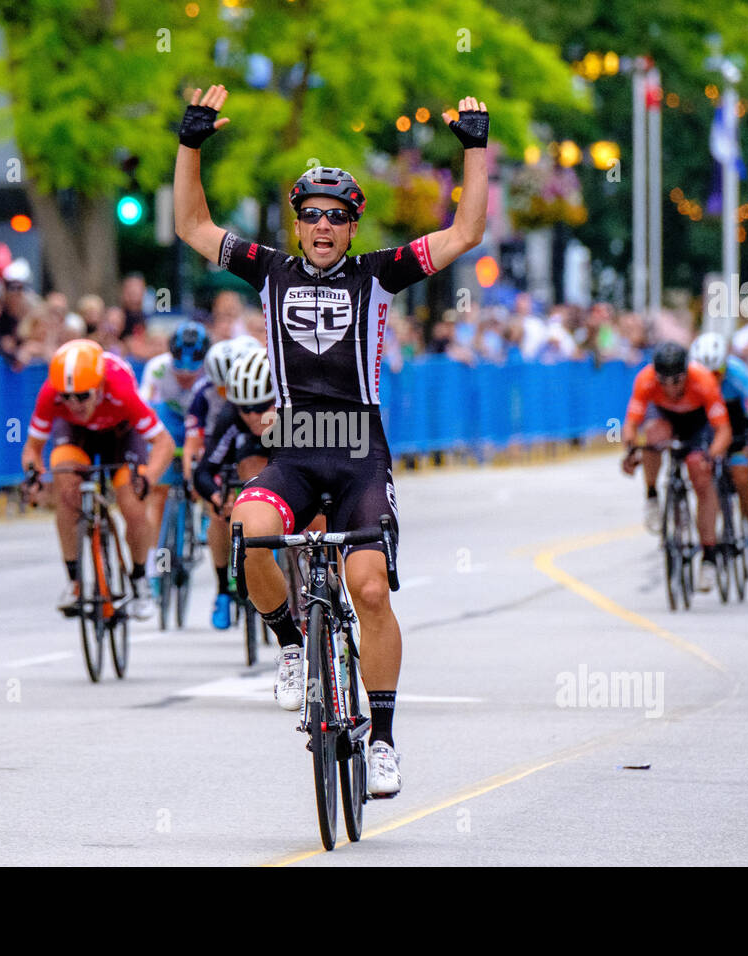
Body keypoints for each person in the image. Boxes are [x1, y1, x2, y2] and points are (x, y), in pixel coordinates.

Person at [174, 83, 491, 796]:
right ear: (297, 225)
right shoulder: (269, 270)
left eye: (337, 217)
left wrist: (474, 149)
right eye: (311, 215)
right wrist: (189, 143)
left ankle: (381, 741)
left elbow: (466, 232)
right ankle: (290, 646)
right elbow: (193, 225)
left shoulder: (379, 274)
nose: (323, 226)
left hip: (358, 453)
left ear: (353, 227)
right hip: (292, 447)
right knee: (247, 529)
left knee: (370, 590)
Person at [20, 339, 174, 617]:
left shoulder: (122, 390)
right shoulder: (50, 394)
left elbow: (163, 443)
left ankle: (140, 580)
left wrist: (149, 479)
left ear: (100, 386)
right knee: (67, 489)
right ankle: (75, 582)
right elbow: (32, 447)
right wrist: (35, 476)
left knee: (133, 503)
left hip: (121, 435)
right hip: (77, 436)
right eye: (67, 397)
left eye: (82, 396)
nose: (73, 403)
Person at [620, 341, 733, 592]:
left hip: (698, 424)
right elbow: (631, 424)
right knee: (651, 437)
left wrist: (712, 455)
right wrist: (629, 450)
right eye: (665, 382)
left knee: (699, 471)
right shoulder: (646, 379)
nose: (671, 387)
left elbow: (723, 430)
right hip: (667, 419)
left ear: (686, 373)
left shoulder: (703, 380)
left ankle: (709, 558)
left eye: (677, 381)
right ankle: (652, 496)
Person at [186, 335, 264, 628]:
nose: (227, 393)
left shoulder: (288, 403)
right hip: (237, 451)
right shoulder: (229, 411)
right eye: (224, 388)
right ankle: (222, 588)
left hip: (275, 449)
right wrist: (218, 498)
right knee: (218, 513)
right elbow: (203, 467)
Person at [139, 319, 211, 591]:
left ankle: (205, 512)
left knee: (208, 464)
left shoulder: (212, 371)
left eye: (191, 374)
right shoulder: (157, 368)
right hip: (169, 421)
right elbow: (144, 408)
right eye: (180, 372)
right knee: (157, 491)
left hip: (200, 420)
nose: (184, 377)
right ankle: (153, 563)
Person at [690, 332, 748, 578]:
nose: (713, 378)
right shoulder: (690, 377)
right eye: (708, 374)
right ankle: (708, 540)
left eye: (717, 372)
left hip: (736, 427)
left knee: (742, 477)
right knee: (702, 478)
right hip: (707, 427)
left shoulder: (738, 375)